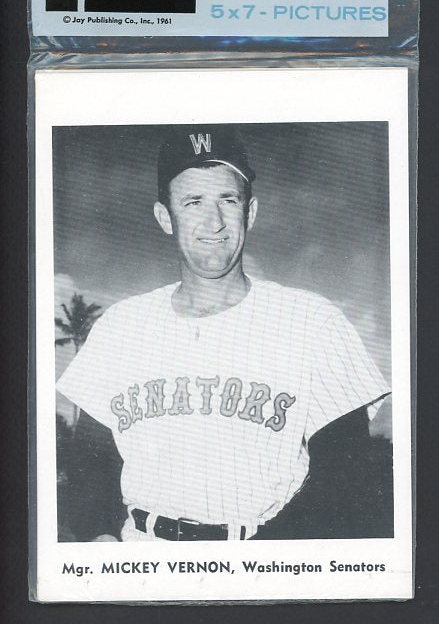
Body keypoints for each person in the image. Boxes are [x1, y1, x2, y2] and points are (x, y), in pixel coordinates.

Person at [57, 124, 391, 542]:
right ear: (165, 217)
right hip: (141, 553)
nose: (213, 221)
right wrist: (98, 536)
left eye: (228, 200)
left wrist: (263, 560)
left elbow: (345, 478)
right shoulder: (120, 326)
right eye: (193, 201)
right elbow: (90, 462)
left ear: (250, 212)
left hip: (267, 556)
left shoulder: (314, 322)